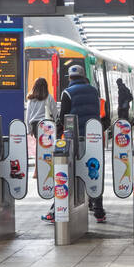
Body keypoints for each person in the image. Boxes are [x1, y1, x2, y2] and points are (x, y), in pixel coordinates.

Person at [44, 64, 108, 223]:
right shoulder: (94, 91)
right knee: (94, 170)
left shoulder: (67, 93)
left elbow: (63, 117)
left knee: (70, 171)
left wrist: (58, 136)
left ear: (70, 78)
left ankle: (55, 209)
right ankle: (98, 210)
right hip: (93, 137)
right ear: (83, 76)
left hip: (75, 139)